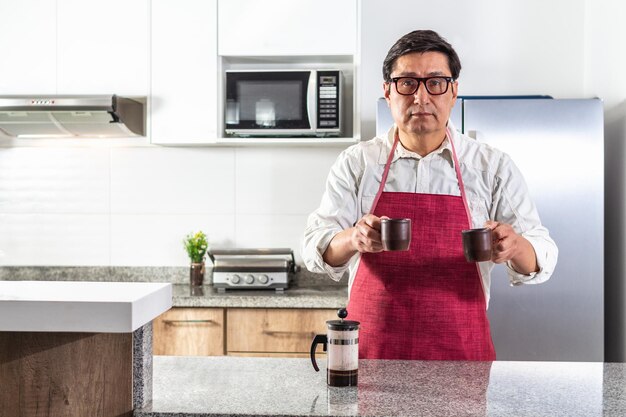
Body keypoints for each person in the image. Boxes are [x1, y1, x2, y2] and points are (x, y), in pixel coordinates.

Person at [301, 30, 558, 361]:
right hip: (372, 355)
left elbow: (543, 254)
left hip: (460, 358)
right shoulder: (358, 164)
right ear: (387, 91)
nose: (421, 97)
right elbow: (314, 247)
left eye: (435, 83)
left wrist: (516, 246)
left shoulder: (491, 167)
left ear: (453, 92)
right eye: (407, 83)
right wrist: (353, 238)